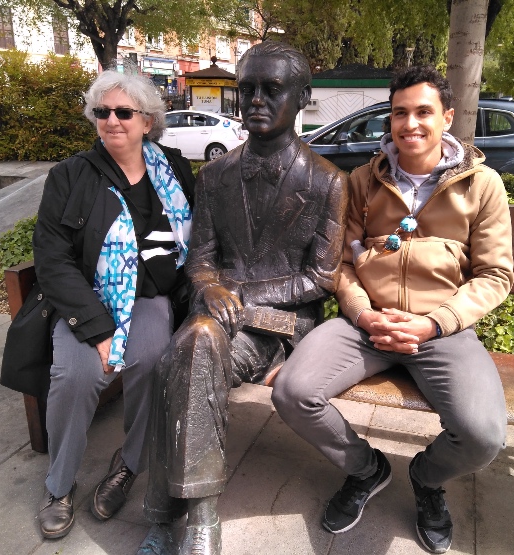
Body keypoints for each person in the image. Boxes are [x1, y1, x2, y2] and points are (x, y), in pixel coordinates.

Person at [272, 65, 513, 554]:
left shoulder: (482, 185)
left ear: (447, 117)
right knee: (293, 392)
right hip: (364, 325)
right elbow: (340, 263)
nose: (411, 124)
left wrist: (432, 323)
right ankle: (367, 470)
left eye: (424, 112)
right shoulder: (362, 181)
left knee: (483, 435)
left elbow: (495, 276)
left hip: (441, 329)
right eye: (400, 113)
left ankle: (425, 479)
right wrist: (364, 314)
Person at [137, 42, 348, 555]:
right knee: (196, 344)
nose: (255, 99)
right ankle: (203, 519)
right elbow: (200, 258)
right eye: (247, 87)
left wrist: (236, 293)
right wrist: (209, 286)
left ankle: (165, 515)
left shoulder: (328, 182)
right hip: (216, 319)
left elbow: (320, 277)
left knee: (187, 350)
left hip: (279, 329)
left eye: (272, 89)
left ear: (303, 97)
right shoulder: (213, 177)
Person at [31, 70, 195, 540]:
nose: (112, 121)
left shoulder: (175, 170)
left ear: (148, 121)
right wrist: (99, 330)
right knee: (77, 374)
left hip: (152, 299)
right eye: (102, 112)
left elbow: (200, 240)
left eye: (124, 112)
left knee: (151, 363)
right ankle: (59, 485)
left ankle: (126, 466)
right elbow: (53, 258)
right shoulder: (71, 176)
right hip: (90, 300)